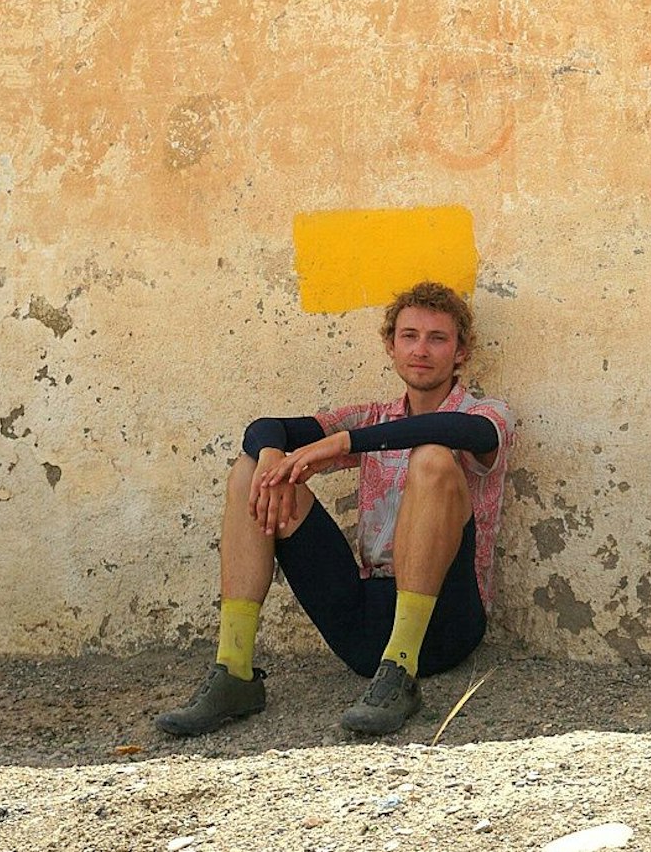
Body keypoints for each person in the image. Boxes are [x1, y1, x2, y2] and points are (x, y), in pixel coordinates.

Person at [154, 281, 512, 737]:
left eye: (437, 338)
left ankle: (401, 674)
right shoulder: (373, 417)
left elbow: (461, 432)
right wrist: (270, 456)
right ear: (391, 345)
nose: (421, 349)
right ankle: (235, 672)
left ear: (460, 352)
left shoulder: (488, 413)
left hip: (445, 622)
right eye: (409, 336)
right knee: (251, 470)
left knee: (433, 457)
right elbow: (266, 427)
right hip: (362, 623)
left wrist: (346, 443)